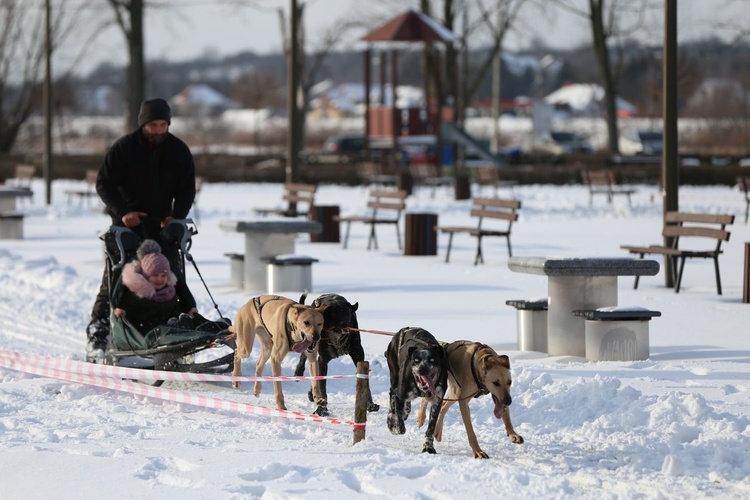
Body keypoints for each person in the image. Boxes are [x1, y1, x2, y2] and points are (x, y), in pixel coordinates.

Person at [86, 97, 197, 362]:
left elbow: (186, 189)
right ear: (143, 124)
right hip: (126, 228)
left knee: (171, 278)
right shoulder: (123, 148)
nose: (158, 130)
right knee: (114, 281)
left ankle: (176, 331)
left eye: (163, 125)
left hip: (162, 226)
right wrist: (124, 212)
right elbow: (104, 184)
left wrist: (175, 216)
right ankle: (98, 334)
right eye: (153, 125)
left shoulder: (178, 150)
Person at [113, 240, 198, 334]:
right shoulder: (137, 293)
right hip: (147, 330)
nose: (160, 279)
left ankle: (182, 328)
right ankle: (173, 330)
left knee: (177, 318)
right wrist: (122, 311)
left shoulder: (171, 292)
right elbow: (127, 307)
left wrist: (189, 309)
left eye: (163, 276)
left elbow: (181, 302)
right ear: (146, 276)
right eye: (155, 276)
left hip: (169, 324)